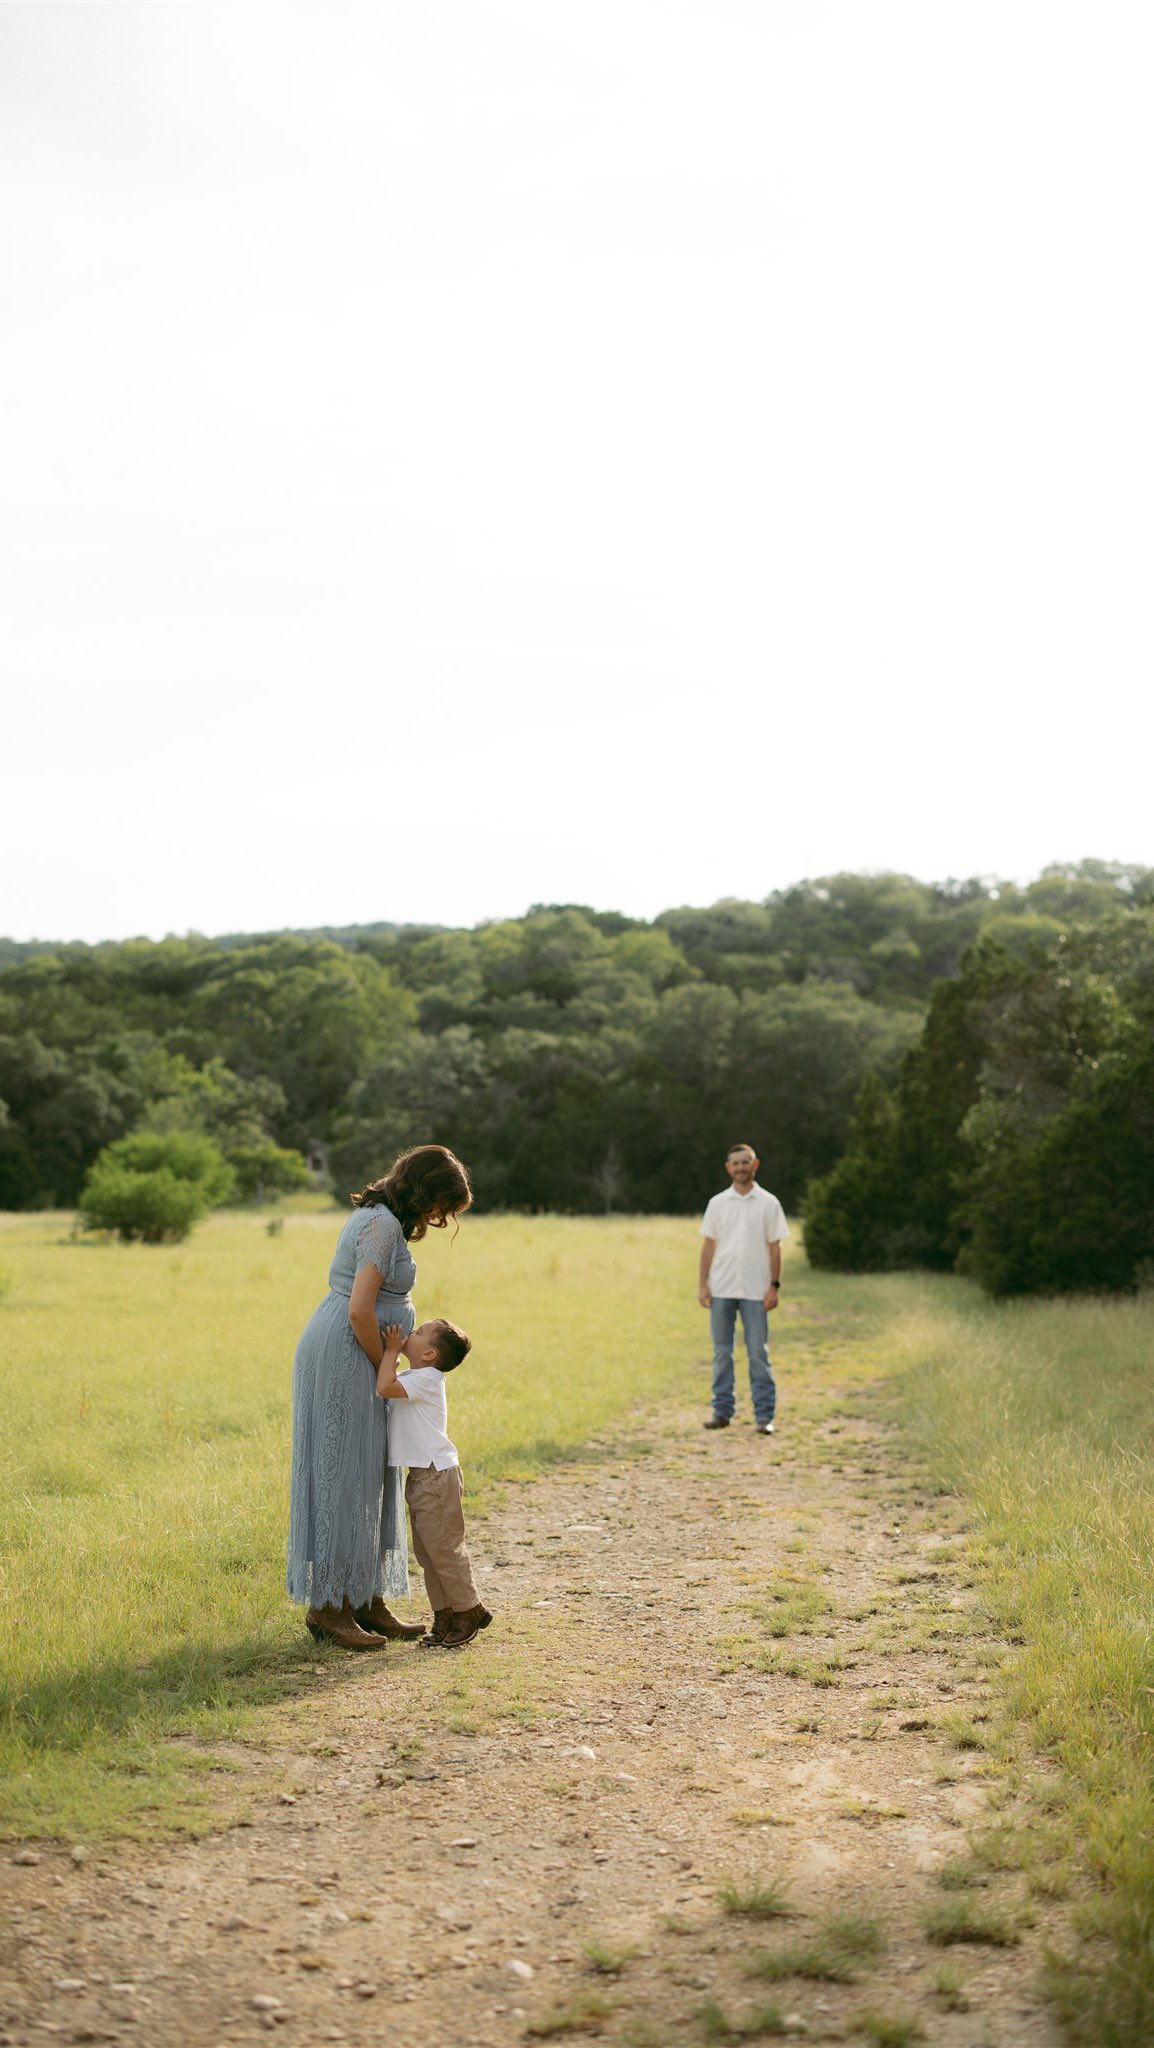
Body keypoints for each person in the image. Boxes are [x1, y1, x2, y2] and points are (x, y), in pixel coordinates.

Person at [286, 1143, 473, 1649]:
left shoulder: (381, 1218)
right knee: (342, 1475)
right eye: (442, 1205)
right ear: (425, 1191)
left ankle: (365, 1597)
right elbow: (359, 1309)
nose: (440, 1217)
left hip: (362, 1353)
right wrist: (383, 1364)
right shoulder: (382, 1226)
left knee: (370, 1471)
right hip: (349, 1353)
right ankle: (329, 1607)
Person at [377, 1317, 492, 1650]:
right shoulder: (416, 1377)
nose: (410, 1332)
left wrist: (391, 1351)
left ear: (428, 1354)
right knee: (428, 1553)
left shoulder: (427, 1378)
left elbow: (384, 1387)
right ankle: (445, 1615)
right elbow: (390, 1382)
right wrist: (392, 1359)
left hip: (436, 1475)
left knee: (444, 1550)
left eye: (418, 1332)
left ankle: (469, 1610)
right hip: (421, 1476)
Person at [698, 1141, 789, 1436]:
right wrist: (703, 1284)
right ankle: (722, 1412)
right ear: (728, 1168)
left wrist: (774, 1286)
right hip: (722, 1287)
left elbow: (775, 1248)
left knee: (757, 1353)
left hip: (755, 1290)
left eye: (745, 1162)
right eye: (735, 1163)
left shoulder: (769, 1203)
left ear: (755, 1165)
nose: (740, 1168)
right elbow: (708, 1246)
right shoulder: (717, 1203)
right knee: (721, 1353)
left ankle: (764, 1416)